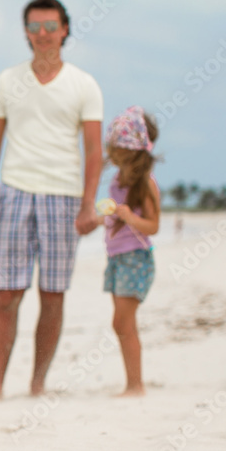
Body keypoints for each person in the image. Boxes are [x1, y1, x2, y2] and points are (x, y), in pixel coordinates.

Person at [0, 0, 104, 402]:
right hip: (14, 193)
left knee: (52, 294)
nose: (43, 35)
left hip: (63, 198)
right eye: (35, 27)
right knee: (8, 294)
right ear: (25, 33)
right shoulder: (7, 81)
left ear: (65, 30)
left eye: (51, 26)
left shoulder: (84, 84)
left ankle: (37, 384)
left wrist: (88, 204)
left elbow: (94, 151)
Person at [98, 106, 160, 396]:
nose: (112, 155)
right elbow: (117, 220)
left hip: (136, 258)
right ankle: (133, 383)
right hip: (117, 257)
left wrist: (128, 217)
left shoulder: (145, 183)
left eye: (118, 149)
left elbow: (153, 226)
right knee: (121, 323)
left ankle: (136, 385)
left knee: (123, 322)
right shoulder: (116, 182)